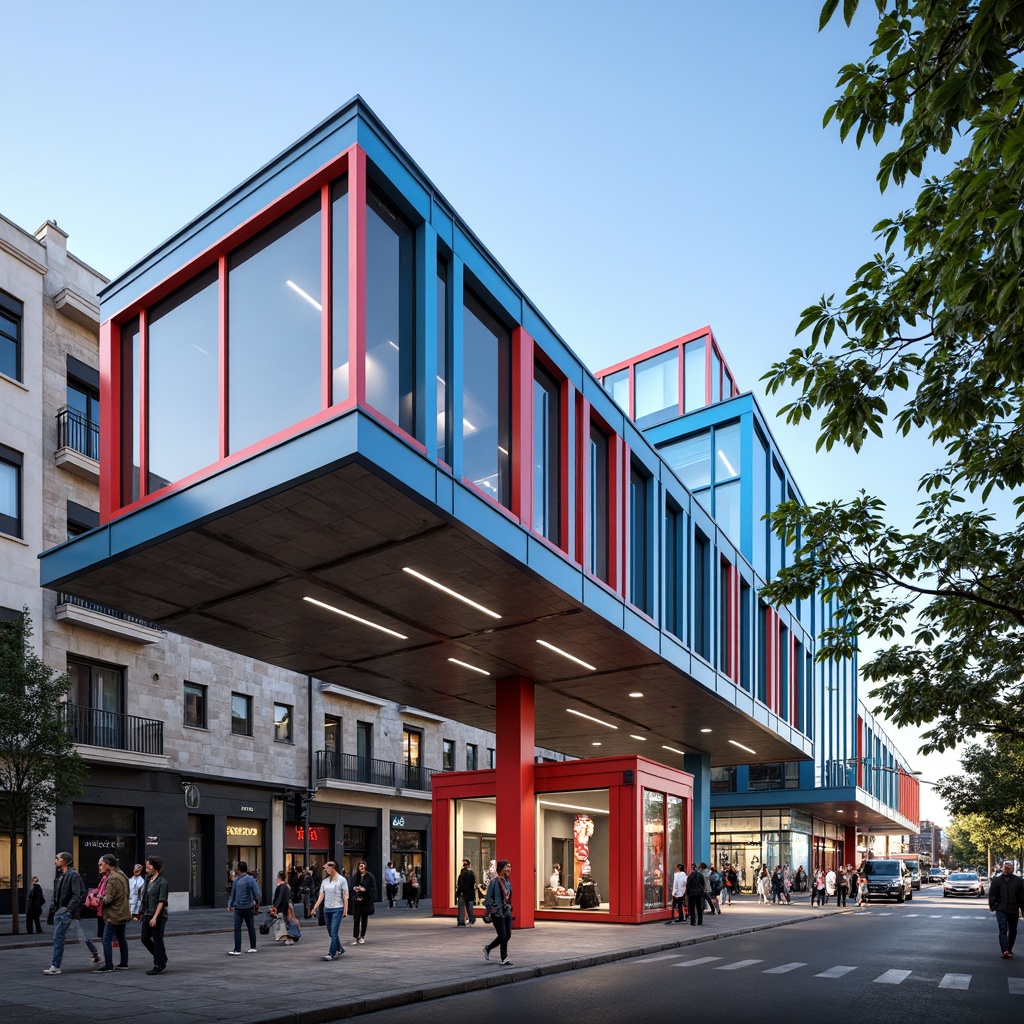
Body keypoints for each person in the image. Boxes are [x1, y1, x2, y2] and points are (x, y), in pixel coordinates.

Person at [43, 852, 101, 974]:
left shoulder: (73, 875)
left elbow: (79, 893)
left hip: (65, 912)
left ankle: (55, 966)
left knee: (58, 938)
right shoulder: (62, 875)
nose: (55, 861)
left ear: (64, 861)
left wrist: (69, 909)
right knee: (80, 934)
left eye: (57, 858)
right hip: (60, 912)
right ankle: (95, 952)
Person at [95, 854, 130, 973]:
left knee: (106, 939)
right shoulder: (122, 874)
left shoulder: (112, 877)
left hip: (114, 913)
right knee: (121, 937)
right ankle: (124, 963)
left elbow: (108, 899)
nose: (99, 867)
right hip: (123, 911)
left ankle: (108, 965)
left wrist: (98, 897)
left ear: (108, 865)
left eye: (101, 864)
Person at [137, 856, 169, 975]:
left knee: (157, 939)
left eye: (149, 866)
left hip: (158, 915)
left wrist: (155, 917)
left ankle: (158, 964)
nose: (147, 868)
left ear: (155, 866)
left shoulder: (162, 882)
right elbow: (143, 897)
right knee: (144, 938)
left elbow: (162, 901)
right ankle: (161, 957)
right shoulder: (147, 879)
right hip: (147, 913)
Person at [310, 860, 348, 961]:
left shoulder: (342, 880)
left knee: (334, 932)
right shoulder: (325, 881)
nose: (325, 870)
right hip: (327, 909)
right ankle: (339, 948)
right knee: (331, 932)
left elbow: (345, 896)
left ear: (333, 867)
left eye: (327, 868)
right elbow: (321, 896)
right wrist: (314, 908)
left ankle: (331, 953)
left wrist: (345, 910)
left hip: (337, 908)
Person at [989, 859, 1024, 959]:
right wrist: (992, 906)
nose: (1006, 870)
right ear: (1002, 868)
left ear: (1012, 869)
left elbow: (1021, 896)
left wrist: (1022, 908)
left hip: (1013, 909)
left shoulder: (1018, 881)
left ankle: (1009, 948)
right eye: (1005, 868)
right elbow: (993, 895)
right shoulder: (997, 880)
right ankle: (1005, 950)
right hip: (1001, 909)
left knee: (1013, 930)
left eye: (1008, 868)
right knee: (1003, 929)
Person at [482, 858, 513, 965]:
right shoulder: (494, 882)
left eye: (510, 866)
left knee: (508, 935)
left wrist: (509, 906)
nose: (509, 869)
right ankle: (502, 956)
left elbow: (509, 896)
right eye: (507, 866)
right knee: (502, 935)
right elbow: (488, 898)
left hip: (506, 911)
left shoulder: (507, 881)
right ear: (501, 868)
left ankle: (491, 950)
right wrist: (490, 909)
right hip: (497, 912)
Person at [227, 860, 261, 955]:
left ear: (238, 870)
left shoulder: (236, 880)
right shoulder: (250, 879)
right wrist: (255, 901)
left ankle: (237, 949)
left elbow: (232, 894)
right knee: (250, 927)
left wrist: (230, 904)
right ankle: (253, 946)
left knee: (237, 928)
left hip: (238, 907)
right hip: (248, 906)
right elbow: (257, 893)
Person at [349, 860, 377, 944]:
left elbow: (373, 888)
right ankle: (356, 936)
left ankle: (362, 936)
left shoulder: (370, 876)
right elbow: (351, 888)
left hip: (365, 901)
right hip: (357, 901)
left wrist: (365, 889)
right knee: (356, 918)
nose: (362, 868)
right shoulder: (355, 876)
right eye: (360, 866)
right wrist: (355, 891)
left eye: (363, 866)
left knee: (364, 918)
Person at [271, 871, 293, 943]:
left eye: (277, 877)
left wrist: (275, 906)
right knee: (284, 922)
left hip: (281, 907)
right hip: (285, 906)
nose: (276, 879)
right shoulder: (286, 886)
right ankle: (285, 937)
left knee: (282, 922)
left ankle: (287, 938)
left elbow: (279, 898)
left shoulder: (281, 887)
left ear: (280, 878)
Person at [456, 859, 477, 926]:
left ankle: (461, 920)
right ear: (469, 865)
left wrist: (458, 892)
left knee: (461, 907)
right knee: (469, 907)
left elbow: (459, 884)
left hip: (462, 892)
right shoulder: (471, 873)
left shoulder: (461, 874)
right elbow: (473, 882)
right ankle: (471, 919)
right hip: (470, 892)